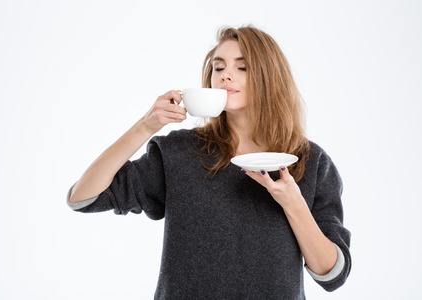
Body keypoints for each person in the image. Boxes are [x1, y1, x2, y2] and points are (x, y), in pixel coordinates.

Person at [67, 25, 351, 299]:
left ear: (270, 77)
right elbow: (84, 197)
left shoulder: (310, 162)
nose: (226, 75)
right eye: (219, 67)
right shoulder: (178, 151)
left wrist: (293, 203)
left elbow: (332, 274)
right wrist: (145, 126)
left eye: (243, 67)